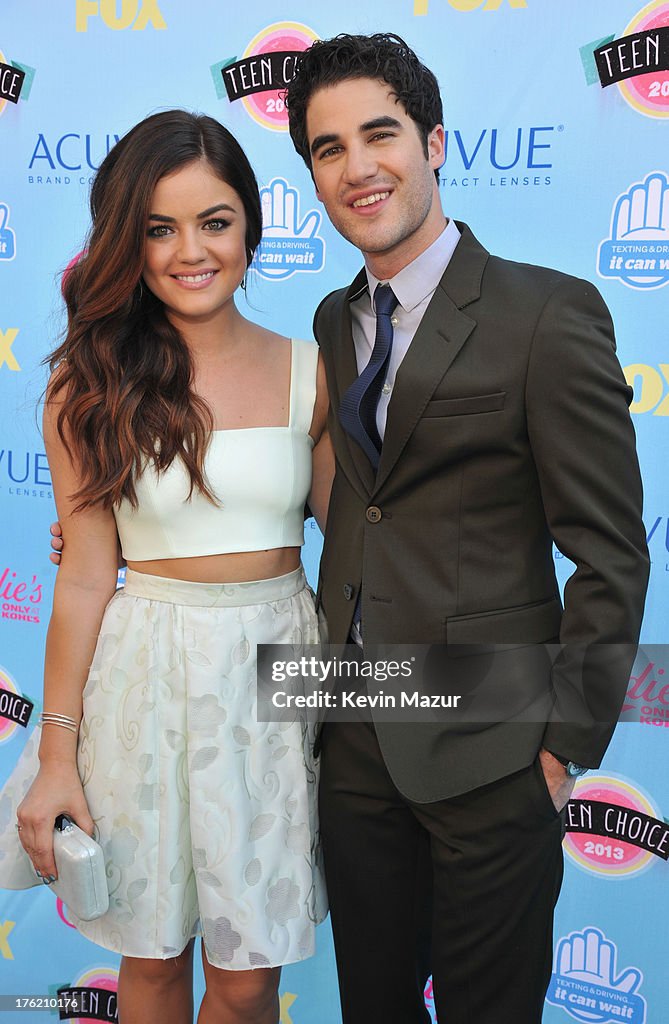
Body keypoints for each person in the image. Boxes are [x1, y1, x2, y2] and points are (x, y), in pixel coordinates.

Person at [281, 33, 650, 1024]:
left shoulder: (547, 313)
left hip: (495, 752)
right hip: (354, 741)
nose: (357, 166)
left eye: (380, 134)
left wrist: (562, 744)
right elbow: (347, 499)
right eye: (326, 148)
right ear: (312, 175)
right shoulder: (329, 319)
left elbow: (610, 548)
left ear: (435, 143)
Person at [0, 110, 331, 1024]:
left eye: (214, 221)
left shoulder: (314, 370)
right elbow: (81, 579)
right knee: (150, 961)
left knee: (248, 973)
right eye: (159, 227)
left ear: (251, 229)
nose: (191, 250)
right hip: (143, 677)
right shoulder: (89, 385)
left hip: (279, 675)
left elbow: (359, 547)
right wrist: (56, 756)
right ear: (127, 241)